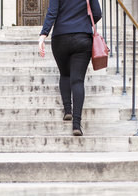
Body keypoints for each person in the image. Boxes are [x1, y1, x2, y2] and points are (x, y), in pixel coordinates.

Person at [39, 0, 102, 136]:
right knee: (78, 81)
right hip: (82, 36)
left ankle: (68, 110)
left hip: (60, 37)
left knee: (65, 74)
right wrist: (83, 22)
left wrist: (43, 35)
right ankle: (76, 125)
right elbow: (97, 13)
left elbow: (52, 12)